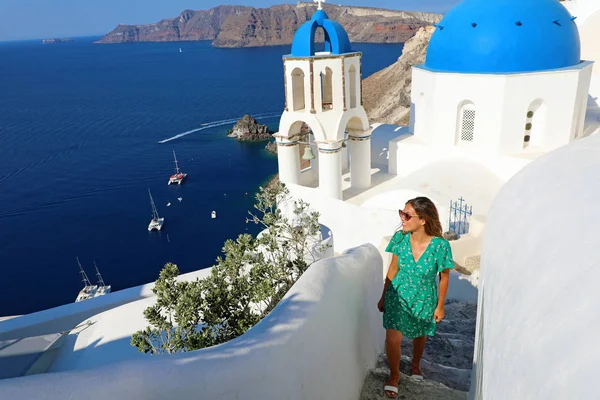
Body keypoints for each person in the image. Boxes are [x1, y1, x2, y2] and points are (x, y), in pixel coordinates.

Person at [377, 197, 454, 398]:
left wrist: (440, 306)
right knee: (393, 339)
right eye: (401, 213)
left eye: (407, 215)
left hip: (424, 297)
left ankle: (416, 364)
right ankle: (394, 375)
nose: (403, 218)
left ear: (423, 220)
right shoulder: (400, 239)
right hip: (397, 294)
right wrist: (384, 295)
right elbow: (393, 268)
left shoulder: (440, 246)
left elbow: (444, 277)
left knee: (420, 334)